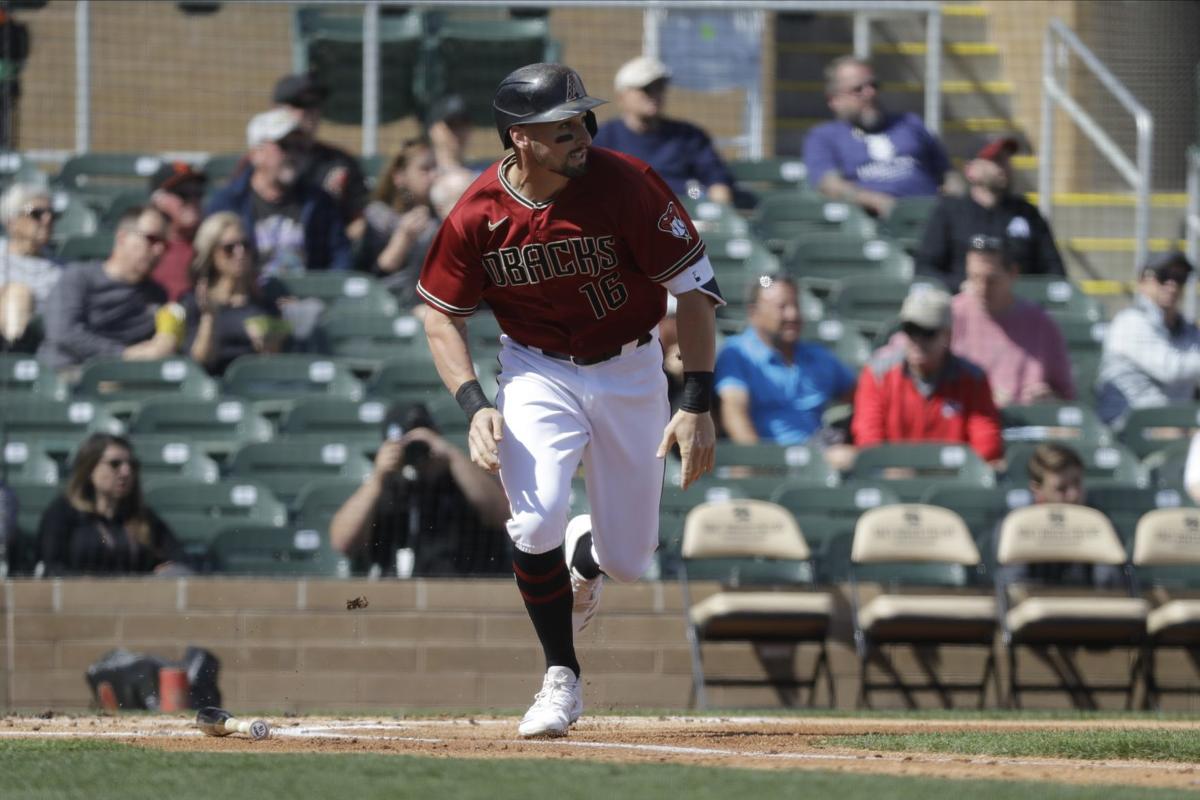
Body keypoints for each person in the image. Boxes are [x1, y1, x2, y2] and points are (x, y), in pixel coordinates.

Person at [417, 63, 720, 738]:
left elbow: (694, 295)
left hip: (633, 368)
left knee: (630, 563)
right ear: (519, 138)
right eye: (563, 127)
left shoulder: (628, 184)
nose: (582, 133)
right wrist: (473, 403)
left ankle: (588, 558)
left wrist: (696, 401)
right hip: (536, 370)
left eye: (584, 119)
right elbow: (440, 315)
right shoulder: (478, 213)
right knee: (534, 521)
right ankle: (561, 676)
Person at [329, 401, 511, 577]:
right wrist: (377, 478)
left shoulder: (461, 481)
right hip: (395, 597)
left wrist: (450, 455)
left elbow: (502, 514)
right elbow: (342, 542)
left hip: (457, 594)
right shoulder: (384, 490)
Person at [852, 288, 1003, 463]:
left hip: (953, 477)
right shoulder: (877, 374)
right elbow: (868, 438)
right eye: (911, 329)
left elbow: (986, 441)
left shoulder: (973, 379)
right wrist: (893, 469)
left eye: (927, 332)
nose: (918, 341)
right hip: (892, 476)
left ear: (947, 335)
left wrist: (953, 473)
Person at [205, 107, 352, 276]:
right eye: (285, 145)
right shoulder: (227, 203)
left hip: (309, 298)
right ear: (256, 153)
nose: (294, 154)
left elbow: (340, 258)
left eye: (300, 146)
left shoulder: (320, 202)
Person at [803, 56, 954, 218]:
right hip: (874, 222)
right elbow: (829, 184)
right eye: (858, 89)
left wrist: (956, 200)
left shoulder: (910, 123)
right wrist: (876, 201)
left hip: (932, 215)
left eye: (873, 85)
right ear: (834, 100)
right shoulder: (823, 136)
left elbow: (948, 174)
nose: (870, 93)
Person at [715, 274, 855, 445]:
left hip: (818, 459)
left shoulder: (819, 357)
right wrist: (758, 463)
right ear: (754, 313)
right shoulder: (737, 354)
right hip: (766, 461)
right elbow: (734, 414)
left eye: (795, 305)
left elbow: (860, 396)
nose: (793, 315)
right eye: (781, 307)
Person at [37, 206, 177, 375]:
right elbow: (63, 332)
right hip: (67, 373)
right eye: (151, 239)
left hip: (122, 379)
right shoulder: (79, 276)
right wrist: (123, 354)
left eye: (164, 244)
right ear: (122, 237)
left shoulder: (157, 294)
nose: (159, 249)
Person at [916, 137, 1064, 289]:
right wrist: (961, 286)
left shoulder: (1027, 213)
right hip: (961, 305)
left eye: (1006, 159)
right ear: (970, 170)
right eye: (996, 160)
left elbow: (1054, 271)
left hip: (1018, 307)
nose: (1004, 166)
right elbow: (926, 269)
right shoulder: (949, 212)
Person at [951, 234, 1075, 407]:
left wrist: (1048, 400)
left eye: (991, 280)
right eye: (975, 278)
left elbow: (1067, 396)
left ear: (1013, 274)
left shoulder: (1040, 323)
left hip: (1024, 425)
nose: (982, 288)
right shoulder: (951, 314)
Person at [592, 55, 735, 204]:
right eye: (647, 89)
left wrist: (719, 211)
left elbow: (716, 180)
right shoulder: (604, 138)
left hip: (682, 218)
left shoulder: (688, 136)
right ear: (622, 96)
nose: (655, 95)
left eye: (659, 87)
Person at [37, 434, 184, 576]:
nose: (126, 472)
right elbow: (52, 568)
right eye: (115, 464)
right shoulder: (62, 513)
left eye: (132, 465)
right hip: (79, 598)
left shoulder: (142, 517)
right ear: (89, 469)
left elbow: (177, 560)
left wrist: (167, 569)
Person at [1096, 252, 1200, 426]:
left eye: (1180, 278)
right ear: (1143, 281)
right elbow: (1169, 369)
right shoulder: (1129, 321)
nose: (1172, 284)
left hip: (1177, 425)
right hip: (1127, 426)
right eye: (1163, 276)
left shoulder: (1189, 330)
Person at [182, 212, 289, 376]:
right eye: (229, 248)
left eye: (245, 245)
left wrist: (271, 334)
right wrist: (209, 317)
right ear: (211, 254)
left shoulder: (263, 300)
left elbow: (277, 351)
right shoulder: (195, 301)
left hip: (255, 384)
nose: (240, 253)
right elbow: (199, 362)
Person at [1002, 442, 1120, 587]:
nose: (1073, 495)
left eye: (1077, 483)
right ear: (1036, 489)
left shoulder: (1099, 524)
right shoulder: (1018, 527)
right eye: (1061, 488)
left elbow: (1108, 583)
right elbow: (1015, 586)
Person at [272, 72, 369, 227]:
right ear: (277, 110)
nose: (310, 112)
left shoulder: (340, 162)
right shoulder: (263, 161)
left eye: (315, 104)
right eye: (300, 104)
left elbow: (359, 218)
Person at [358, 138, 440, 308]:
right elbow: (379, 270)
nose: (434, 176)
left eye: (435, 168)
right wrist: (404, 236)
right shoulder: (378, 216)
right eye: (425, 169)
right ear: (400, 177)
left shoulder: (442, 215)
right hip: (389, 303)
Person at [0, 183, 61, 352]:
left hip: (46, 341)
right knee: (17, 294)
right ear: (12, 221)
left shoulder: (61, 268)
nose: (47, 220)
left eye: (52, 214)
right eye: (36, 214)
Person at [148, 161, 207, 302]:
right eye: (183, 194)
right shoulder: (146, 245)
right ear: (158, 200)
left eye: (198, 193)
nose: (193, 200)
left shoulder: (217, 245)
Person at [424, 94, 478, 179]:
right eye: (452, 125)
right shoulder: (424, 177)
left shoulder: (482, 173)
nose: (459, 131)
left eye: (464, 124)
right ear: (432, 130)